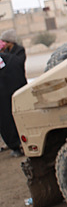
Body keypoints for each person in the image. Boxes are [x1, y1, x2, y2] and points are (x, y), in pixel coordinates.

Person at [0, 29, 26, 157]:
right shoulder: (8, 56)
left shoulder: (17, 52)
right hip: (7, 91)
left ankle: (17, 145)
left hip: (12, 91)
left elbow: (16, 65)